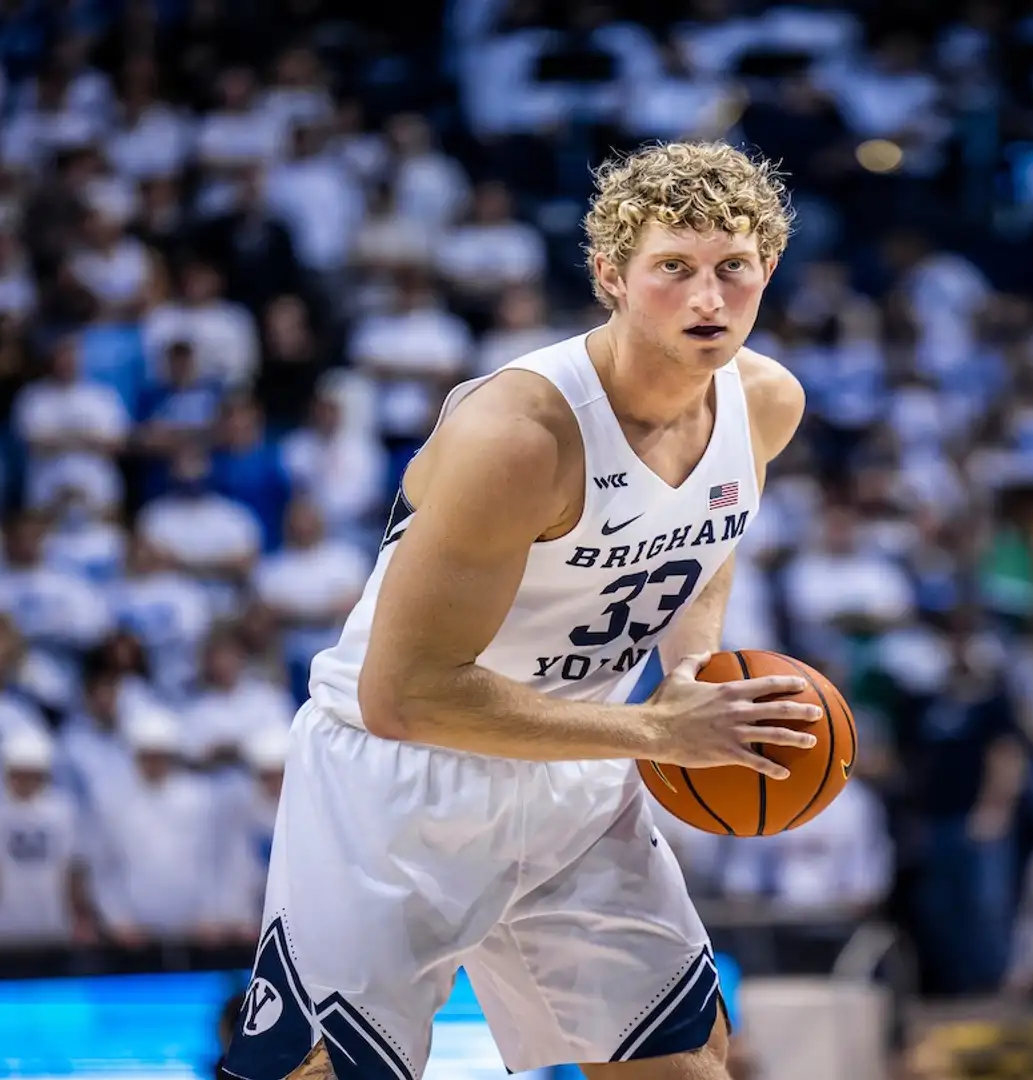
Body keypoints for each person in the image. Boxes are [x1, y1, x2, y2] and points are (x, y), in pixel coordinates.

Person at [222, 142, 816, 1080]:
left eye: (731, 269)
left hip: (578, 768)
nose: (708, 298)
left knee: (684, 1058)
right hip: (404, 783)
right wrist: (657, 732)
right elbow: (404, 696)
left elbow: (709, 534)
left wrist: (691, 667)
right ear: (611, 275)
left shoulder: (764, 403)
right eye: (674, 269)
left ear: (767, 271)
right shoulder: (519, 436)